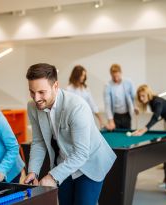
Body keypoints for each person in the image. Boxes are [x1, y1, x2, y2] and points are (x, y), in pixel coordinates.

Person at [23, 63, 116, 205]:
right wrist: (33, 172)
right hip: (64, 162)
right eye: (32, 92)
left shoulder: (76, 107)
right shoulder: (32, 107)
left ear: (55, 86)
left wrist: (52, 177)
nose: (36, 98)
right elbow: (39, 141)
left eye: (42, 92)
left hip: (90, 163)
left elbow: (81, 153)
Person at [104, 63, 137, 130]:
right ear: (111, 75)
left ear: (120, 73)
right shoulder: (107, 86)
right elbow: (107, 105)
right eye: (114, 77)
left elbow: (134, 96)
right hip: (115, 116)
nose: (116, 78)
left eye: (117, 76)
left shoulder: (128, 82)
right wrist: (111, 120)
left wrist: (135, 106)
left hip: (127, 115)